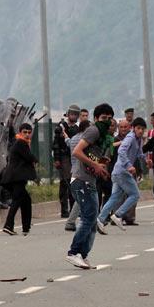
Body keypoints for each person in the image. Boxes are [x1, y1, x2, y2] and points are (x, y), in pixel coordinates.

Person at [66, 103, 114, 270]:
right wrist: (95, 165)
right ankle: (73, 252)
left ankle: (83, 255)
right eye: (103, 118)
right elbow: (77, 152)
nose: (107, 121)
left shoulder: (104, 137)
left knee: (92, 220)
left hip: (90, 181)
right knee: (88, 218)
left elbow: (95, 158)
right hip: (81, 180)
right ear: (95, 118)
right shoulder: (93, 131)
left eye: (109, 118)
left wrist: (101, 167)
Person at [96, 117, 147, 234]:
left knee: (114, 197)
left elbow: (139, 152)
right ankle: (118, 215)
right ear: (133, 128)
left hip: (118, 172)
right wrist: (129, 165)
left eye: (142, 129)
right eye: (138, 128)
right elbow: (121, 151)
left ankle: (100, 219)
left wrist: (146, 159)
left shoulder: (138, 140)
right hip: (123, 172)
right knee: (135, 194)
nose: (140, 131)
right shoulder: (130, 138)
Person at [2, 123, 37, 236]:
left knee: (25, 200)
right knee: (17, 200)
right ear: (20, 132)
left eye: (29, 132)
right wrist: (36, 160)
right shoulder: (21, 143)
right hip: (16, 178)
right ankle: (8, 225)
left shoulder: (22, 142)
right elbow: (29, 157)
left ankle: (26, 228)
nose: (27, 135)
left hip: (17, 178)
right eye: (25, 132)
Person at [53, 104, 80, 218]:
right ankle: (64, 210)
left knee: (74, 183)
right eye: (71, 113)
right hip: (64, 157)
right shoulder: (61, 127)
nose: (73, 116)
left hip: (75, 157)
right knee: (65, 183)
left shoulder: (78, 128)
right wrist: (57, 159)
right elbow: (56, 145)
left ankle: (74, 209)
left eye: (75, 114)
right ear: (68, 114)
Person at [64, 120, 91, 231]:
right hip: (82, 172)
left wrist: (65, 135)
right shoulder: (84, 140)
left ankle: (81, 220)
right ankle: (71, 222)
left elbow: (67, 142)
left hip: (73, 172)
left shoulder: (74, 138)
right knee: (82, 198)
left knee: (81, 198)